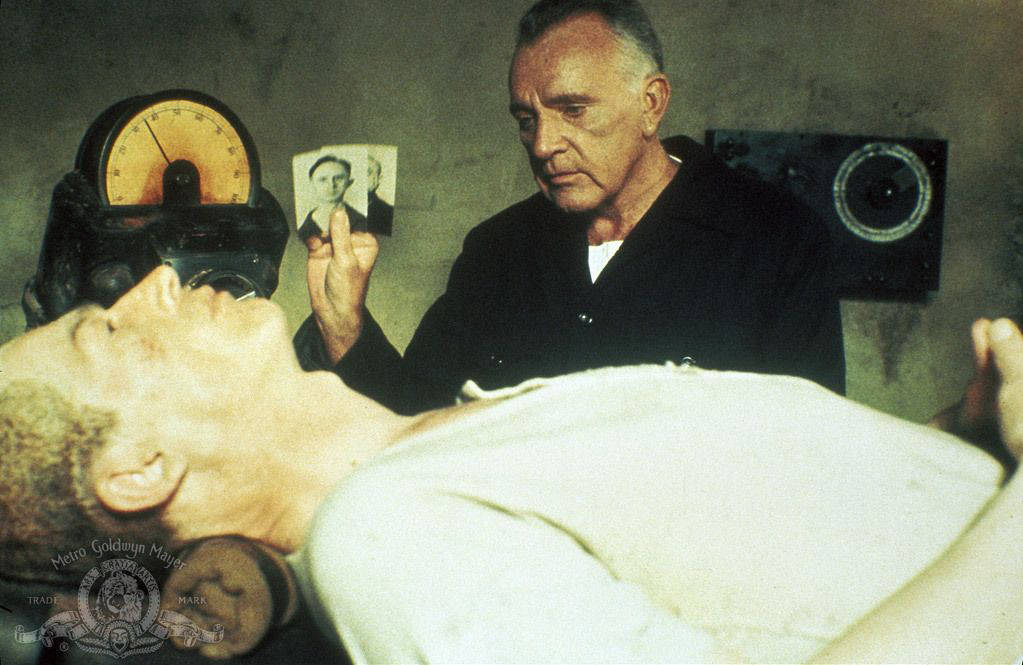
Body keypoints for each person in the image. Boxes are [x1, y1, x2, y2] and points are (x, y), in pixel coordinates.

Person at [2, 265, 1022, 663]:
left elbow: (783, 565)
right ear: (139, 468)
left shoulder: (441, 445)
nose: (154, 280)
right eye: (107, 330)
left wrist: (960, 443)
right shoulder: (387, 540)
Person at [295, 0, 846, 414]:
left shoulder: (777, 241)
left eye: (574, 110)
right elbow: (417, 428)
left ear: (651, 103)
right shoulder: (495, 251)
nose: (542, 145)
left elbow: (807, 459)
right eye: (526, 119)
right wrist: (343, 323)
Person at [297, 155, 368, 241]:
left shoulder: (362, 223)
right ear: (312, 183)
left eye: (338, 178)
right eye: (323, 179)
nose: (331, 185)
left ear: (349, 183)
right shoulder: (303, 229)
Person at [366, 155, 394, 236]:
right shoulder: (340, 208)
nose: (374, 179)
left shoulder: (388, 212)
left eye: (377, 174)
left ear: (379, 179)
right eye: (368, 173)